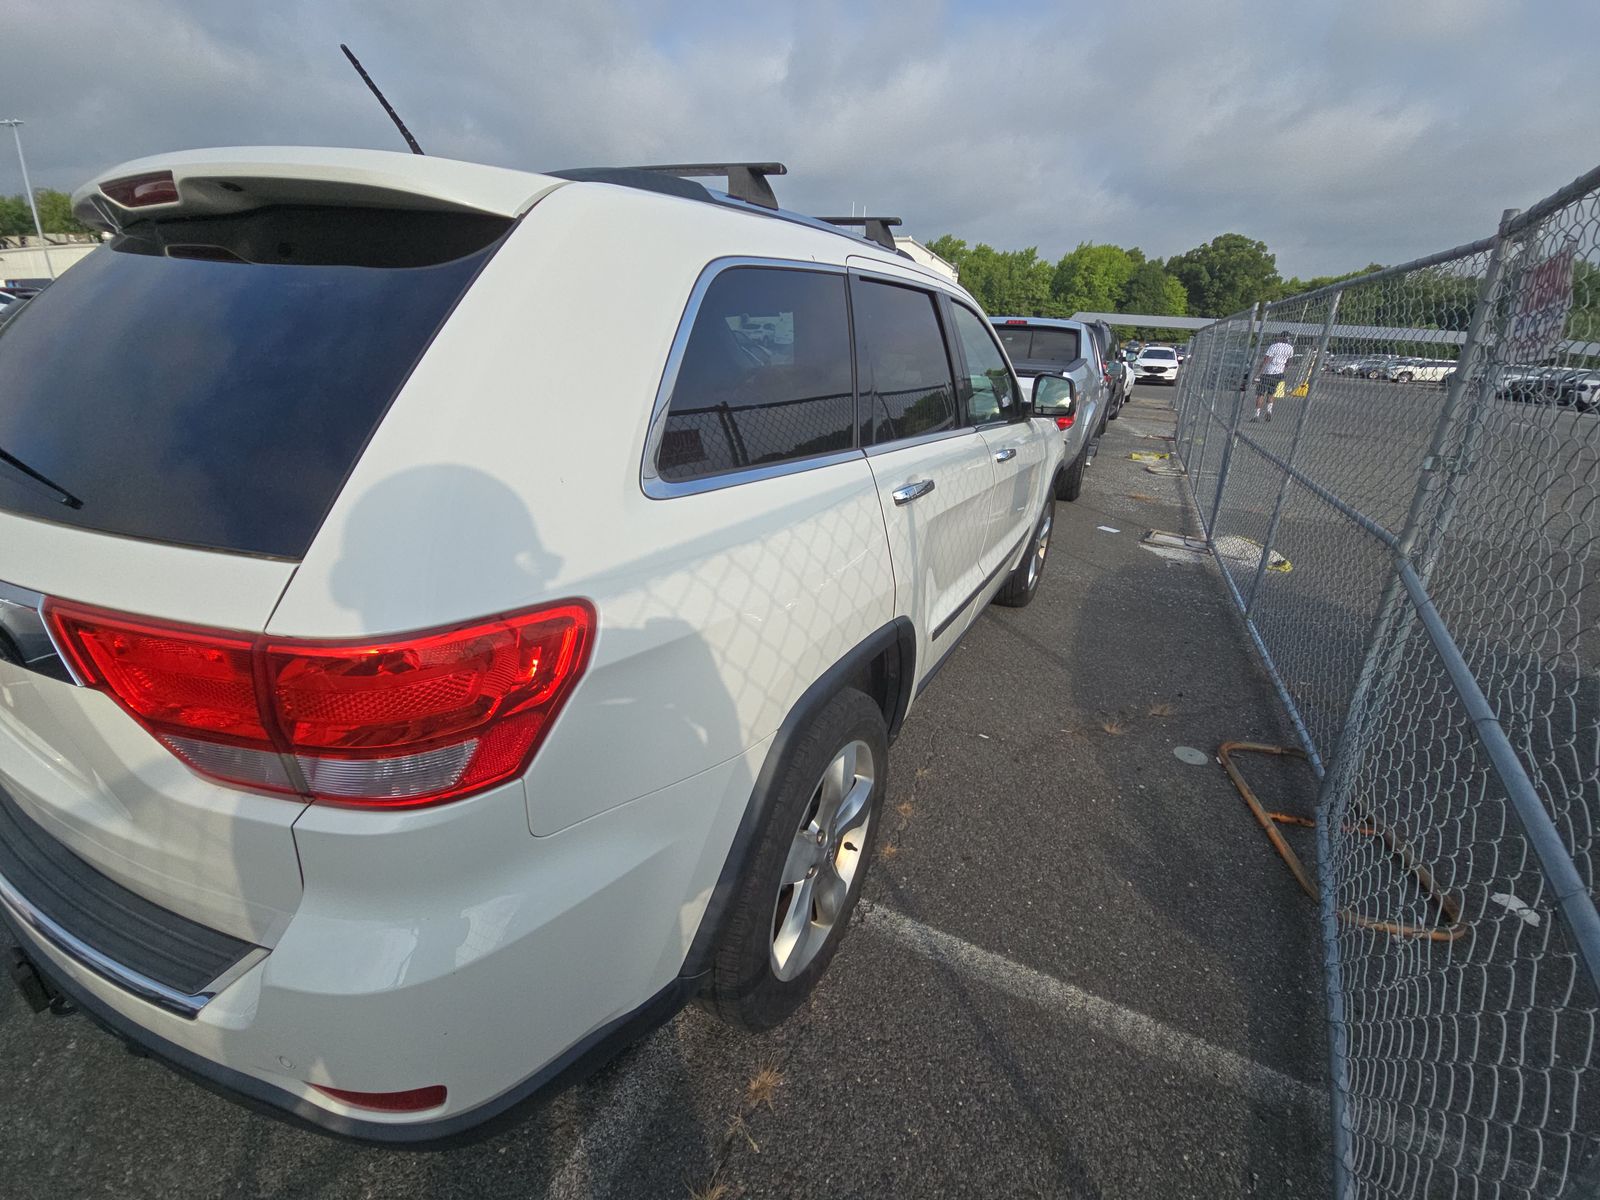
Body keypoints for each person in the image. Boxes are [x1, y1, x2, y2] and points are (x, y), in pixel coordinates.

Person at [1249, 333, 1295, 422]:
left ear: (1280, 337)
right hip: (1279, 373)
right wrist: (1282, 368)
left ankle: (1256, 415)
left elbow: (1266, 359)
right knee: (1271, 393)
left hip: (1268, 372)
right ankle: (1269, 411)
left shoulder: (1274, 346)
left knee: (1261, 393)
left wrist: (1258, 373)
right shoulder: (1290, 348)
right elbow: (1288, 362)